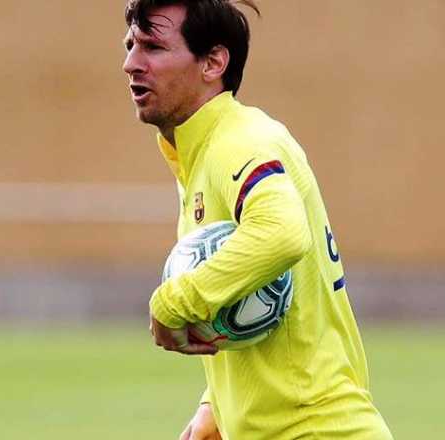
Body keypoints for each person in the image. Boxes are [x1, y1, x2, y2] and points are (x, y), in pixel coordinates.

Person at [122, 1, 394, 438]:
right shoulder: (203, 154)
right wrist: (215, 407)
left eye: (152, 47)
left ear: (213, 62)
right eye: (131, 45)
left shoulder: (241, 140)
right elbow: (258, 303)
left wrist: (172, 302)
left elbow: (282, 234)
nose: (131, 63)